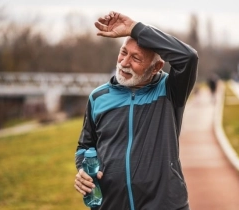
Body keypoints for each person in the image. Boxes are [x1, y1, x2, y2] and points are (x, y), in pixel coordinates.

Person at [74, 11, 198, 210]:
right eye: (123, 52)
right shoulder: (98, 97)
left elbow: (188, 57)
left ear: (156, 67)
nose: (124, 63)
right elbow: (85, 146)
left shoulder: (170, 90)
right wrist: (83, 170)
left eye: (136, 58)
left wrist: (135, 28)